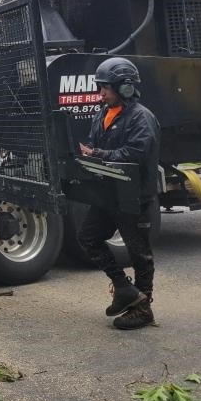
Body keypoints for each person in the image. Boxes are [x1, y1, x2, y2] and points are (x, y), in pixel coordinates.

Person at [76, 57, 161, 330]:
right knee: (88, 237)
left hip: (133, 196)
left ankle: (144, 308)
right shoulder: (103, 113)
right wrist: (88, 152)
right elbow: (95, 143)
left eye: (105, 88)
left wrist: (98, 154)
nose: (101, 93)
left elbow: (134, 154)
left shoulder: (142, 117)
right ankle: (124, 288)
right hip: (108, 193)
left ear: (124, 87)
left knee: (139, 254)